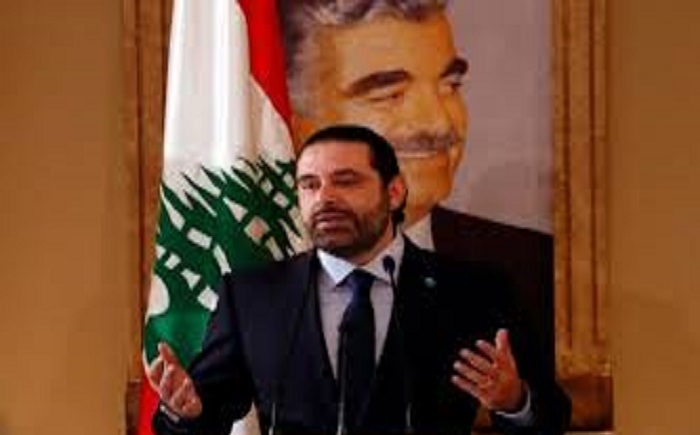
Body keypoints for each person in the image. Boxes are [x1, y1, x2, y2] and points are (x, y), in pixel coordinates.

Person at [149, 125, 570, 435]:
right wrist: (183, 413)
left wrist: (515, 401)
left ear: (394, 192)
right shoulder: (253, 297)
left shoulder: (472, 292)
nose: (324, 198)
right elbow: (204, 416)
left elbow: (550, 418)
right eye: (309, 185)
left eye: (346, 181)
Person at [277, 0, 555, 370]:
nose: (439, 122)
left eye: (449, 85)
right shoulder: (252, 271)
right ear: (295, 125)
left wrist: (516, 398)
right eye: (389, 95)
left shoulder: (527, 268)